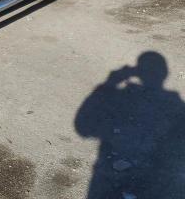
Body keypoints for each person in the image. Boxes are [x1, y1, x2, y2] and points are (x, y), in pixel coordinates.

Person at [75, 52, 185, 198]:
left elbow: (83, 126)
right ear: (165, 73)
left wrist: (110, 82)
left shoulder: (125, 96)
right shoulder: (175, 104)